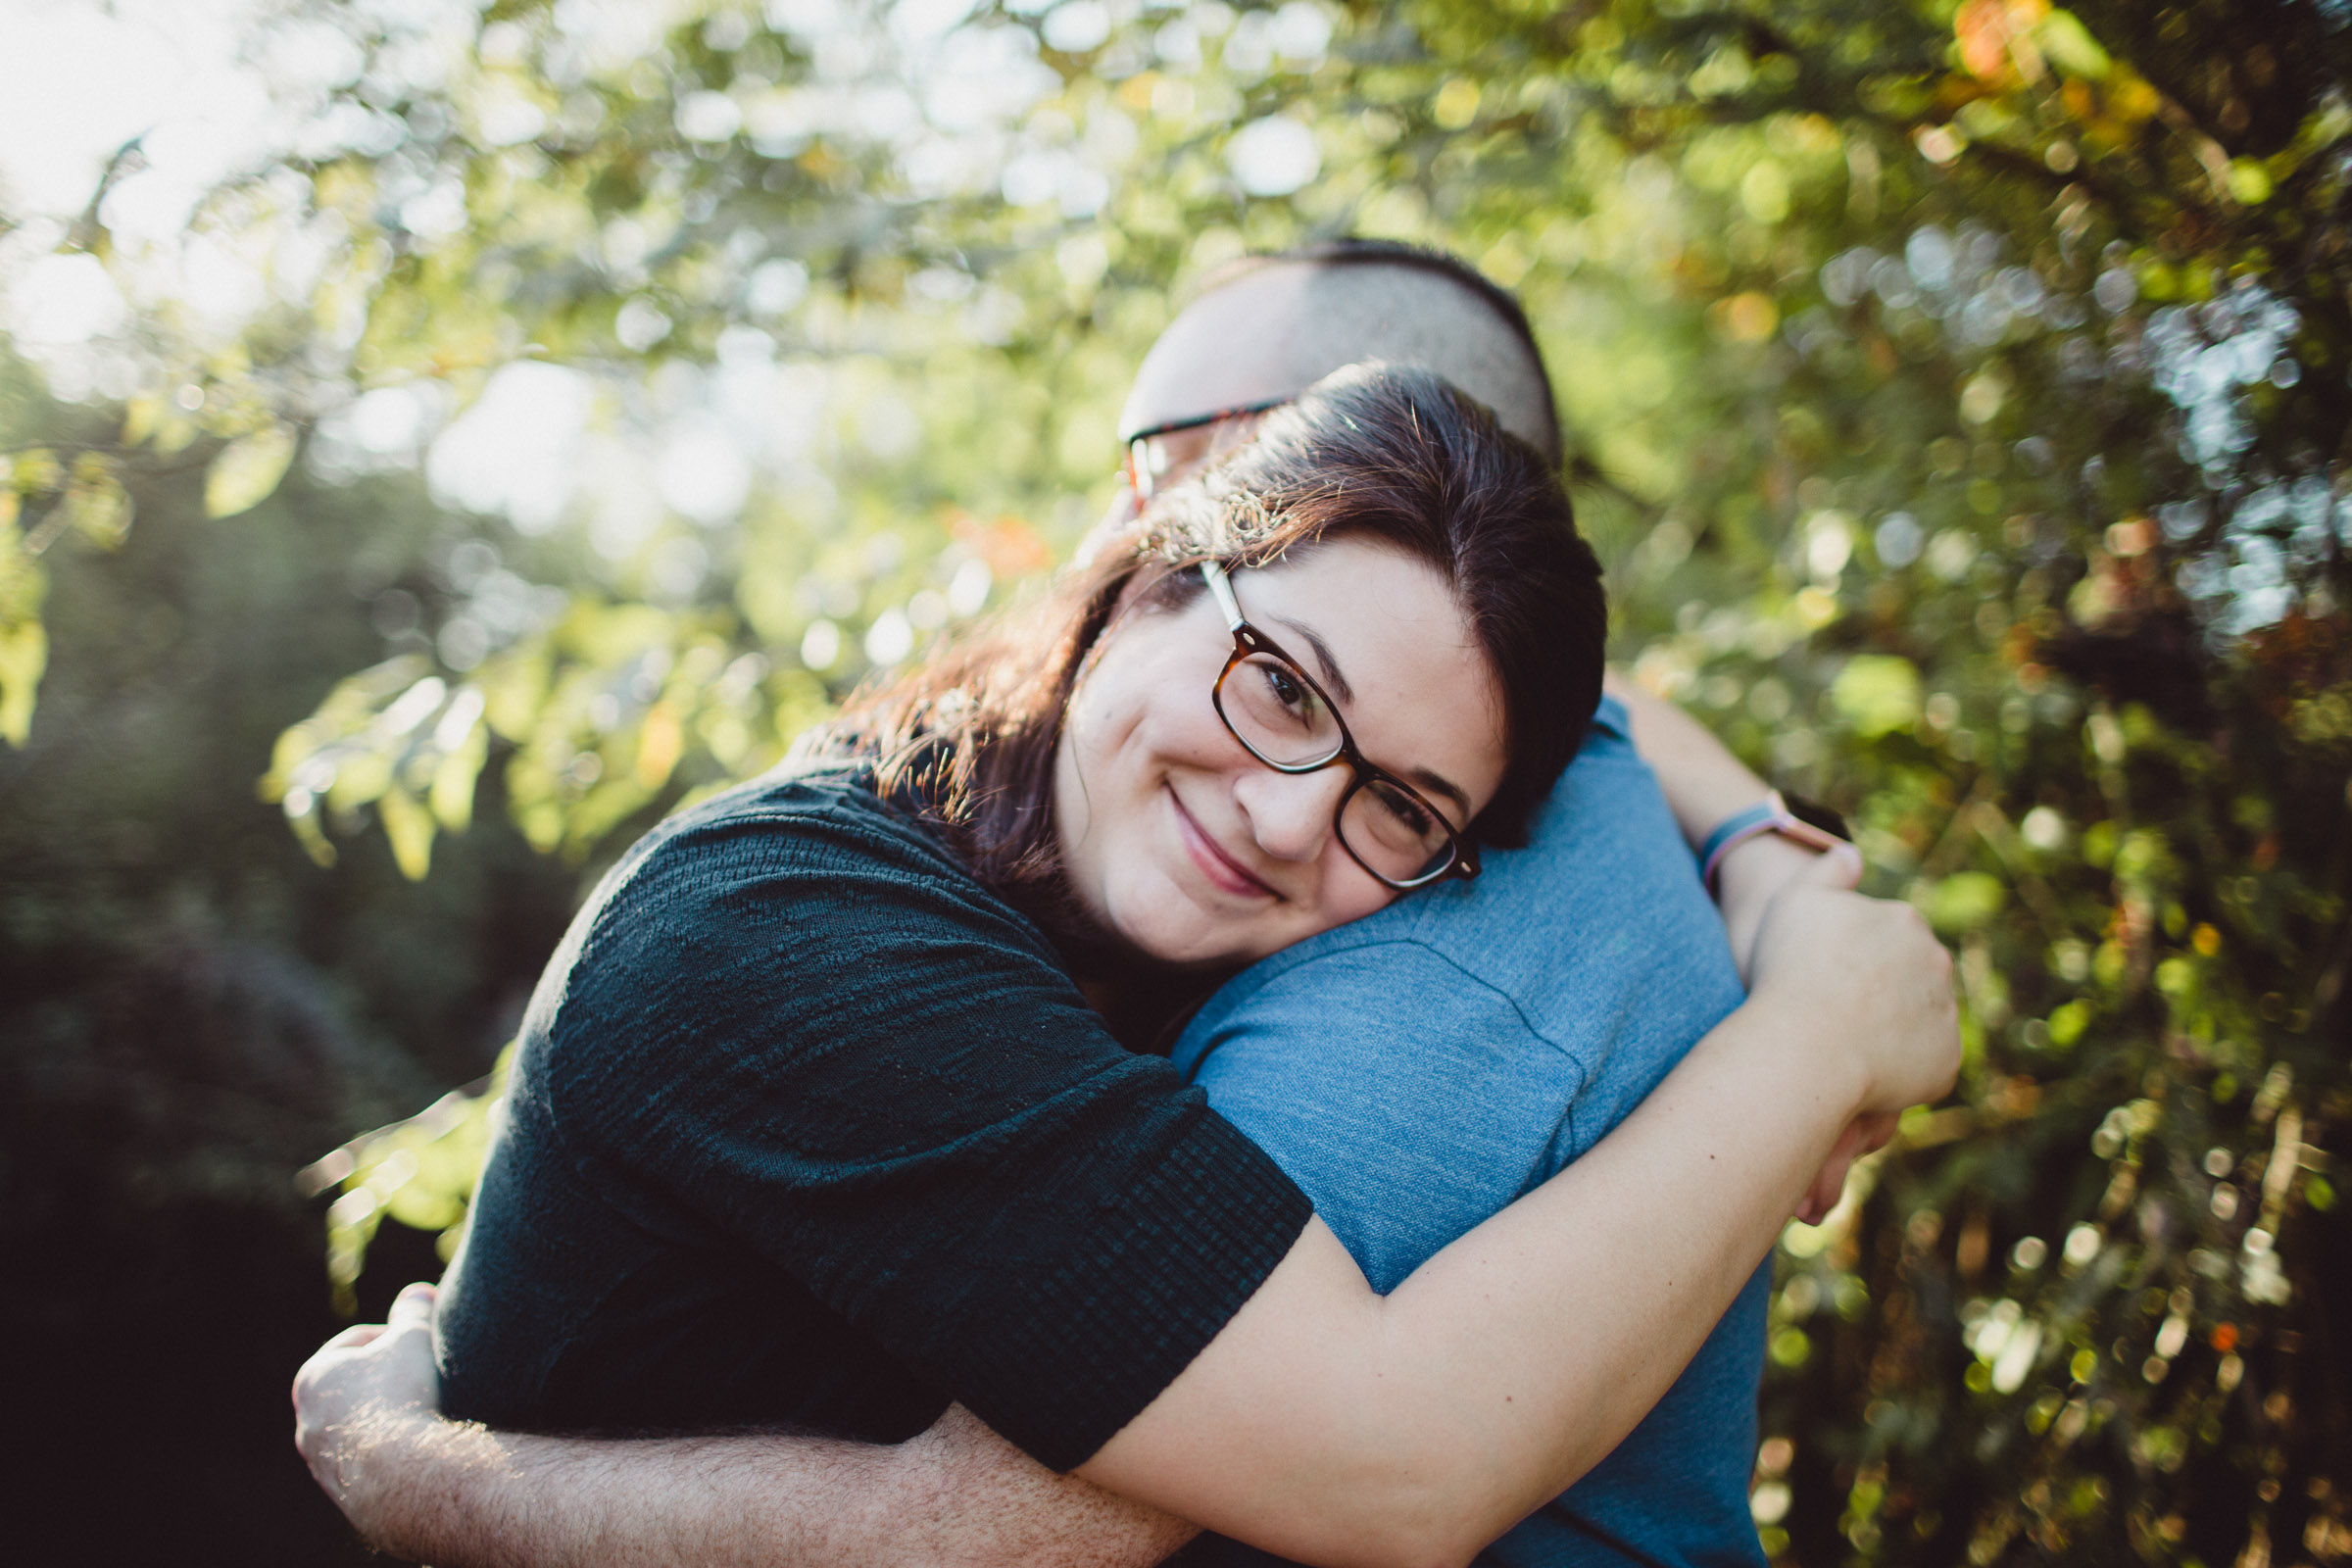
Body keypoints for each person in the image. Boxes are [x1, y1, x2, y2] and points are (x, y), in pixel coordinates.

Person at [295, 279, 1952, 1568]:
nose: (1295, 813)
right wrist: (1816, 1026)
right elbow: (1339, 1469)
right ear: (1140, 563)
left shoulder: (1272, 853)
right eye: (1279, 685)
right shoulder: (810, 937)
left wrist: (1767, 849)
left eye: (1400, 806)